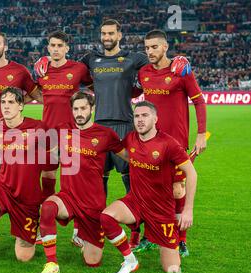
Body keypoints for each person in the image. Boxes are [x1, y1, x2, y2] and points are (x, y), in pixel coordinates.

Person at [35, 20, 190, 250]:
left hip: (126, 127)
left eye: (110, 33)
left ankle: (142, 234)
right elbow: (70, 70)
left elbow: (160, 61)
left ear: (119, 34)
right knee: (95, 182)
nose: (106, 36)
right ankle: (91, 228)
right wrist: (45, 60)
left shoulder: (133, 58)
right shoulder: (90, 59)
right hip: (98, 128)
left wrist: (181, 58)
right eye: (103, 33)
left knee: (135, 183)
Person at [100, 101, 197, 273]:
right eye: (137, 116)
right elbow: (129, 156)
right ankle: (130, 260)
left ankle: (166, 245)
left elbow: (192, 173)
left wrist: (187, 210)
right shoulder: (130, 138)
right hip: (136, 201)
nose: (140, 120)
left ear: (155, 119)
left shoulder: (169, 144)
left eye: (145, 115)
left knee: (172, 269)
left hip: (161, 209)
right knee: (106, 217)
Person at [0, 87, 56, 273]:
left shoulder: (38, 127)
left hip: (28, 198)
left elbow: (53, 160)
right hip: (4, 188)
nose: (6, 106)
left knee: (24, 257)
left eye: (11, 102)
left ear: (21, 105)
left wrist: (46, 198)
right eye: (3, 102)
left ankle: (31, 228)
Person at [37, 91, 128, 273]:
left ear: (92, 109)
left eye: (83, 108)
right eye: (76, 108)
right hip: (68, 197)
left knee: (92, 262)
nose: (79, 112)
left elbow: (128, 156)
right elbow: (48, 151)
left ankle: (86, 240)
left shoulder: (105, 134)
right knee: (47, 208)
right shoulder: (63, 130)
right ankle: (51, 263)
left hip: (92, 204)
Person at [138, 29, 207, 257]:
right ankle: (150, 236)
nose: (150, 51)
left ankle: (181, 241)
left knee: (178, 190)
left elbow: (199, 101)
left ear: (165, 47)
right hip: (149, 142)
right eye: (147, 48)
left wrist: (200, 134)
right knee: (152, 191)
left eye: (154, 47)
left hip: (175, 143)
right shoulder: (144, 72)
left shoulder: (181, 70)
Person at [0, 32, 43, 241]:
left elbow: (36, 93)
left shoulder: (19, 71)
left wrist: (20, 104)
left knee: (23, 184)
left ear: (6, 47)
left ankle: (31, 225)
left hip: (15, 137)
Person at [36, 30, 93, 248]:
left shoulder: (78, 69)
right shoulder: (42, 69)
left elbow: (93, 86)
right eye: (52, 45)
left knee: (76, 182)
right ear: (48, 48)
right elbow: (35, 92)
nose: (56, 49)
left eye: (60, 45)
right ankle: (45, 227)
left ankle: (79, 230)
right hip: (48, 132)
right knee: (47, 177)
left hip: (72, 133)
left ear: (67, 48)